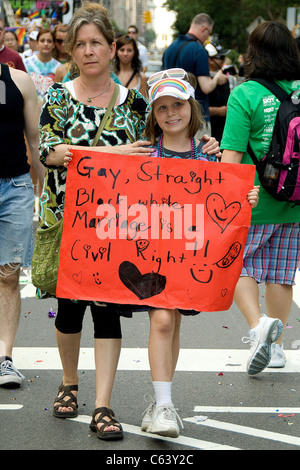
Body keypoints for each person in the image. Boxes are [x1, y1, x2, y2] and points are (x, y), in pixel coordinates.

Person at [38, 2, 153, 441]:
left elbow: (157, 153)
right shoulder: (58, 96)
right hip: (67, 222)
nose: (89, 51)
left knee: (107, 313)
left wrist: (203, 151)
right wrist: (116, 154)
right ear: (72, 50)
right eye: (81, 44)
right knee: (69, 310)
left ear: (113, 48)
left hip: (116, 226)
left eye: (97, 43)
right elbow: (51, 153)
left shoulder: (136, 103)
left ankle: (103, 405)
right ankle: (69, 382)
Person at [140, 68, 259, 438]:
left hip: (191, 257)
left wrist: (246, 198)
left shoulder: (211, 156)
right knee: (161, 321)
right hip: (153, 253)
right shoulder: (141, 155)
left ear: (191, 106)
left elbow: (225, 206)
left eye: (177, 104)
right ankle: (163, 405)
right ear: (153, 115)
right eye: (162, 108)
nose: (171, 113)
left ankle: (161, 400)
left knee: (172, 323)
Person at [221, 21, 300, 374]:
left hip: (253, 199)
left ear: (253, 53)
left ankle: (258, 327)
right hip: (294, 199)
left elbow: (230, 160)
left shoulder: (245, 94)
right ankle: (278, 349)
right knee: (282, 273)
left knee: (237, 263)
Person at [0, 63, 45, 387]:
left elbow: (35, 141)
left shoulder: (19, 81)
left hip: (14, 188)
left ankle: (4, 358)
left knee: (8, 275)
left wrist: (42, 192)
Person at [162, 13, 228, 138]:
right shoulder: (199, 50)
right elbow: (206, 87)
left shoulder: (170, 48)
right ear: (204, 28)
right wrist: (217, 79)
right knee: (200, 156)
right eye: (208, 33)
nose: (207, 37)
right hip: (196, 118)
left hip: (171, 116)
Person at [23, 28, 61, 107]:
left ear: (54, 45)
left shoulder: (59, 67)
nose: (46, 44)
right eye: (42, 40)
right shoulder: (26, 63)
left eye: (49, 41)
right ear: (37, 43)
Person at [205, 42, 230, 142]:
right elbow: (197, 109)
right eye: (221, 58)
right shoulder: (203, 80)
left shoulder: (224, 77)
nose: (223, 61)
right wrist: (218, 111)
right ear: (210, 59)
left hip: (223, 130)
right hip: (209, 132)